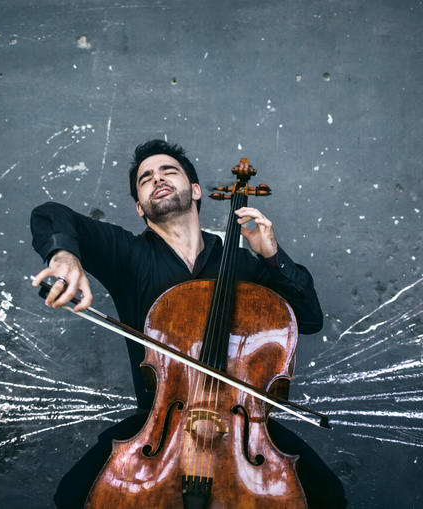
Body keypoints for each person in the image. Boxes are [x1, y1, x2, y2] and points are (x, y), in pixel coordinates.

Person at [30, 139, 346, 508]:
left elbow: (309, 319)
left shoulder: (244, 266)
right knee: (72, 496)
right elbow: (50, 212)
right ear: (139, 206)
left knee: (327, 497)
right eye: (145, 179)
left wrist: (272, 256)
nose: (157, 179)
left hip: (244, 426)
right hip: (161, 422)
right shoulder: (127, 255)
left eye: (168, 171)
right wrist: (65, 256)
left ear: (194, 190)